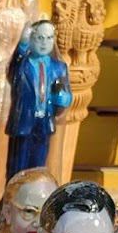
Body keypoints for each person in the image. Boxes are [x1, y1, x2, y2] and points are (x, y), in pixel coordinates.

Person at [6, 20, 72, 178]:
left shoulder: (59, 67)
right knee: (18, 166)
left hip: (44, 123)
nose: (44, 43)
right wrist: (22, 43)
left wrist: (63, 98)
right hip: (24, 123)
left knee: (38, 164)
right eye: (40, 38)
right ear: (31, 39)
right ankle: (13, 190)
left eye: (49, 38)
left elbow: (65, 92)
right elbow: (14, 66)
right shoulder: (22, 65)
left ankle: (35, 189)